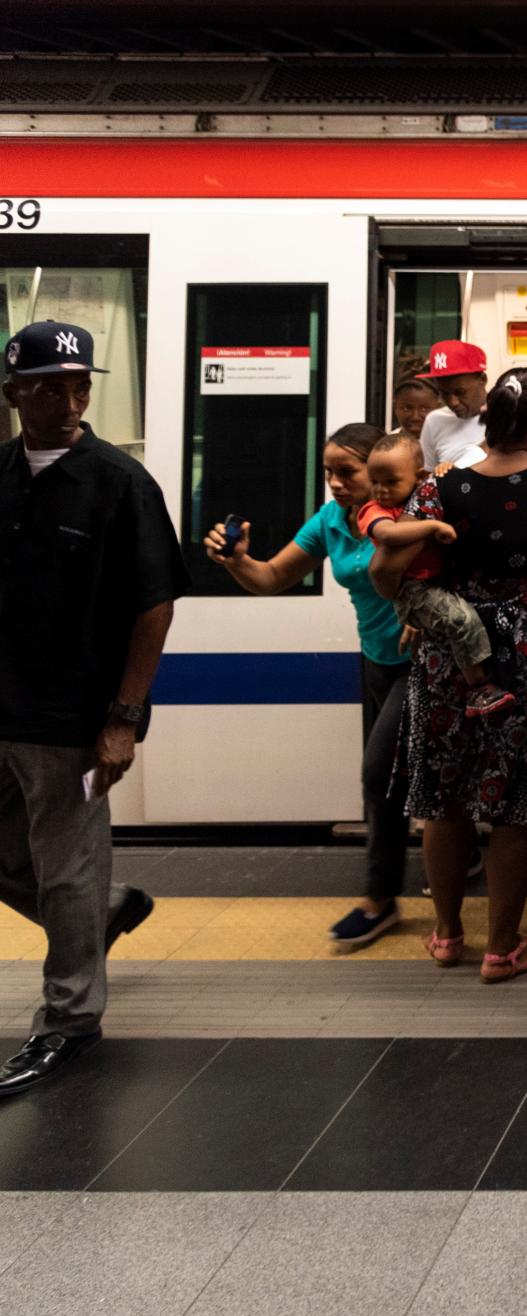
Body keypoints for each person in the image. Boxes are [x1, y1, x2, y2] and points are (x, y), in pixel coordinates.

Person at [0, 320, 187, 1096]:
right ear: (14, 393)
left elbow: (154, 605)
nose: (71, 399)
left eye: (80, 385)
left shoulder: (119, 482)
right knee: (39, 870)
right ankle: (102, 910)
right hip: (3, 705)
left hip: (73, 718)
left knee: (65, 864)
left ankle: (70, 1019)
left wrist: (123, 716)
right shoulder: (2, 473)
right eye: (50, 387)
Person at [373, 368, 527, 982]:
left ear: (490, 416)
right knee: (516, 803)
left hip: (451, 653)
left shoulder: (441, 485)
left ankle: (446, 936)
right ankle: (502, 948)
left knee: (444, 797)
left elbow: (386, 570)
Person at [206, 423, 420, 950]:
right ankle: (455, 861)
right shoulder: (331, 521)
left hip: (421, 662)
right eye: (328, 472)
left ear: (377, 470)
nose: (335, 482)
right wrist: (237, 560)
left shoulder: (412, 514)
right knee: (395, 778)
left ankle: (379, 899)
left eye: (347, 472)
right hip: (375, 660)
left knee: (378, 774)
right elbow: (270, 578)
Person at [357, 437, 516, 717]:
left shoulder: (423, 495)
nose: (381, 490)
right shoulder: (374, 510)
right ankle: (478, 687)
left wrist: (443, 470)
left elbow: (445, 479)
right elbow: (387, 534)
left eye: (391, 482)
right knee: (461, 620)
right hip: (413, 589)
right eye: (375, 482)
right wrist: (432, 526)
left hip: (437, 582)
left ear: (419, 477)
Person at [415, 340, 491, 473]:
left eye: (460, 392)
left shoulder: (508, 416)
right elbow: (428, 476)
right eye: (444, 393)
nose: (452, 402)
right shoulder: (434, 421)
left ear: (482, 380)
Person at [389, 378, 440, 446]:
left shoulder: (447, 443)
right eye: (407, 409)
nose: (415, 417)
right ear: (395, 408)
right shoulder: (387, 445)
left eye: (424, 409)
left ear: (438, 408)